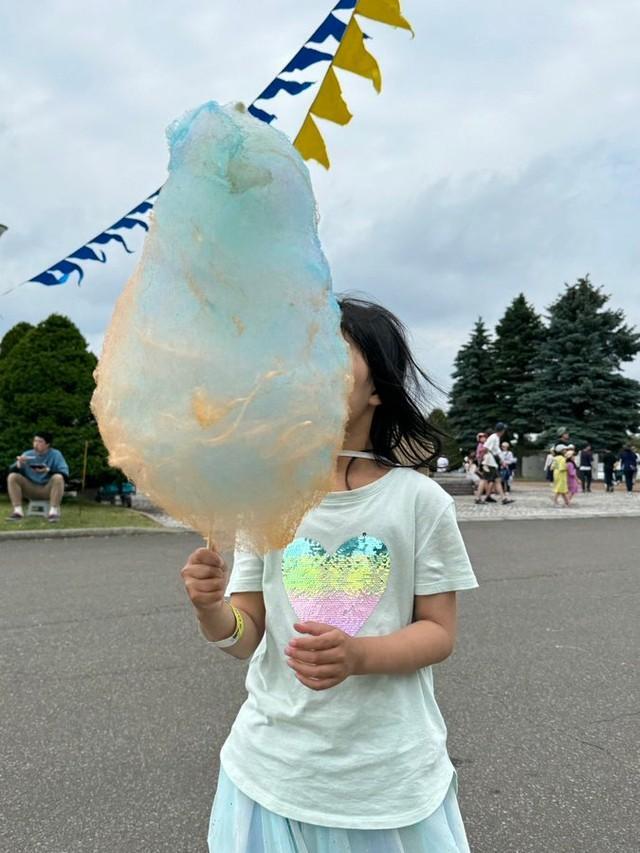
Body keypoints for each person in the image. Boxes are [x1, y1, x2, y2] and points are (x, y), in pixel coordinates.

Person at [182, 298, 478, 852]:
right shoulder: (267, 499)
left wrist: (358, 656)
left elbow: (439, 633)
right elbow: (245, 636)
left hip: (382, 779)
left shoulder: (419, 502)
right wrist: (210, 609)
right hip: (269, 769)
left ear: (377, 391)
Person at [7, 431, 69, 522]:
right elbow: (9, 472)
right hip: (31, 488)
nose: (36, 444)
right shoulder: (27, 454)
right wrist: (19, 464)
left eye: (40, 441)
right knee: (12, 476)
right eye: (35, 441)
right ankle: (17, 512)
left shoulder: (56, 455)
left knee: (58, 477)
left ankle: (53, 513)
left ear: (47, 444)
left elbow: (65, 475)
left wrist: (47, 471)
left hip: (48, 488)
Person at [476, 423, 514, 505]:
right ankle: (478, 498)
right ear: (502, 430)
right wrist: (482, 462)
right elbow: (486, 448)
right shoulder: (493, 438)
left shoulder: (496, 437)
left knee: (496, 480)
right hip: (489, 462)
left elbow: (496, 451)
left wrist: (502, 461)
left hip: (491, 462)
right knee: (485, 479)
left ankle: (502, 498)